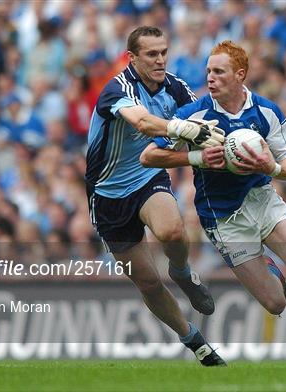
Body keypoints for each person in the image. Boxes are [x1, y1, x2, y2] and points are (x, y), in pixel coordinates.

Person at [140, 40, 286, 367]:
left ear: (240, 75)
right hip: (223, 218)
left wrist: (271, 168)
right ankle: (273, 270)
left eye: (219, 72)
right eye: (208, 71)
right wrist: (196, 156)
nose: (211, 78)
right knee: (276, 303)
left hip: (262, 200)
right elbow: (148, 156)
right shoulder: (193, 115)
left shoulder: (266, 111)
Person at [84, 26, 225, 366]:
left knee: (173, 231)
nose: (160, 59)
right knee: (147, 281)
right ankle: (195, 342)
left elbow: (204, 120)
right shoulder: (117, 89)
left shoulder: (175, 86)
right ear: (132, 58)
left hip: (146, 176)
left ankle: (181, 270)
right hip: (107, 194)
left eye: (163, 51)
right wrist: (181, 129)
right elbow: (143, 122)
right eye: (151, 54)